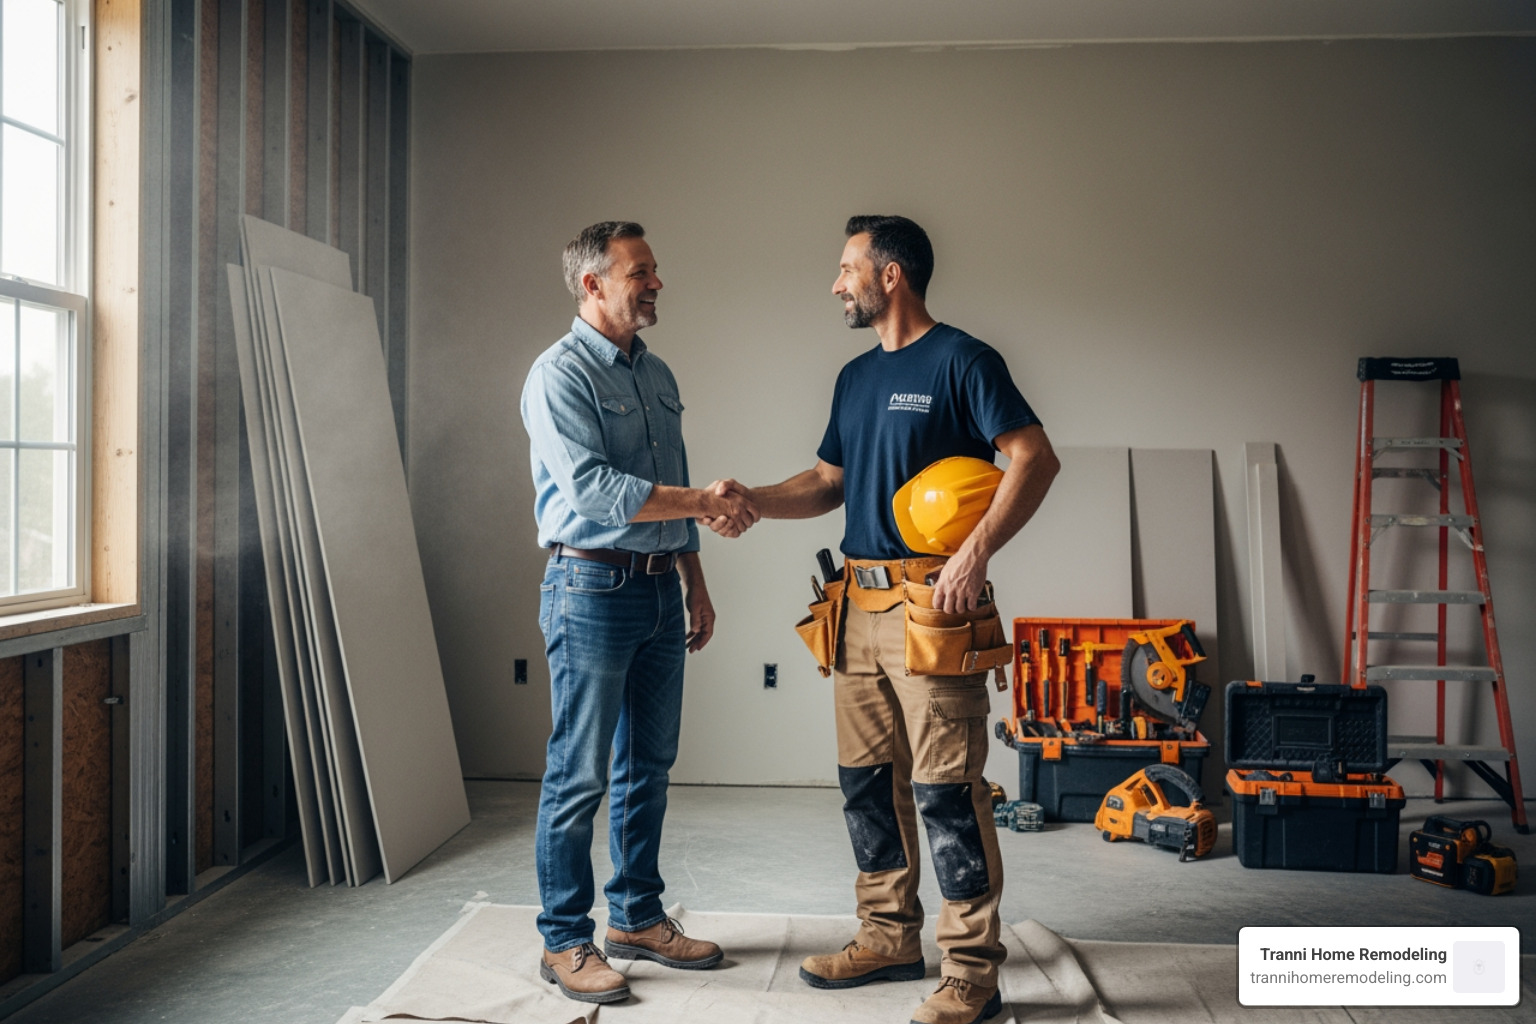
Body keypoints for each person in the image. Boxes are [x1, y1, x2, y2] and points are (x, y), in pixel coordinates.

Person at [707, 216, 1059, 1024]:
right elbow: (830, 481)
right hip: (855, 608)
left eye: (846, 269)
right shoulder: (855, 377)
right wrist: (755, 502)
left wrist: (973, 556)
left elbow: (1034, 456)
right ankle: (888, 935)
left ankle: (971, 968)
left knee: (946, 789)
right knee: (866, 787)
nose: (836, 284)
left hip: (933, 609)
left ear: (890, 275)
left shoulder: (965, 360)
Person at [520, 221, 758, 1004]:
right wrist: (705, 503)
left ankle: (635, 918)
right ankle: (563, 941)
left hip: (658, 586)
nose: (656, 283)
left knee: (647, 767)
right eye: (641, 272)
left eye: (655, 271)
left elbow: (672, 478)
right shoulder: (558, 376)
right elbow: (593, 492)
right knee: (579, 773)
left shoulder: (653, 372)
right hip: (590, 589)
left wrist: (693, 573)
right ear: (593, 284)